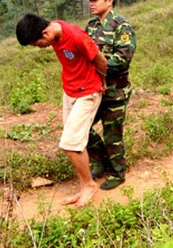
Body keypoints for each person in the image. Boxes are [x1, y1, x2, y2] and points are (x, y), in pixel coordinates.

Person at [16, 14, 107, 207]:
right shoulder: (54, 34)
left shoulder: (75, 36)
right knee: (74, 142)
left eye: (38, 44)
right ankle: (84, 185)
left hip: (88, 92)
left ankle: (89, 185)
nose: (40, 47)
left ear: (45, 32)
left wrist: (103, 83)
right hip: (70, 91)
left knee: (69, 144)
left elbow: (101, 60)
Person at [84, 0, 136, 191]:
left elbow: (123, 58)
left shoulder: (122, 26)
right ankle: (100, 161)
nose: (91, 3)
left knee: (112, 134)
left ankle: (117, 172)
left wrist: (97, 62)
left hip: (115, 91)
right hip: (94, 90)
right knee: (81, 128)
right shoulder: (92, 26)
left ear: (109, 1)